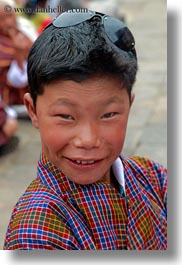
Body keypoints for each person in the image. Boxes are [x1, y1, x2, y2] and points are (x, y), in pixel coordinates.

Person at [3, 10, 167, 250]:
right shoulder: (35, 234)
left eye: (109, 114)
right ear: (33, 110)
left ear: (129, 106)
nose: (88, 140)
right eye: (65, 116)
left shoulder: (152, 176)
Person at [0, 0, 37, 117]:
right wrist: (19, 55)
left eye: (10, 16)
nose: (8, 22)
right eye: (2, 19)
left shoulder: (26, 32)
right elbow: (14, 81)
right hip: (12, 103)